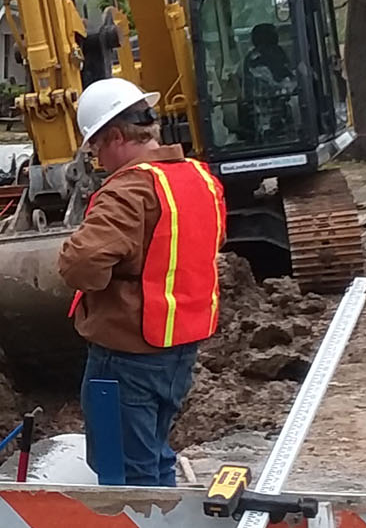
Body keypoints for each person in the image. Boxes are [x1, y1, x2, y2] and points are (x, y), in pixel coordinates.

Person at [56, 77, 227, 487]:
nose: (97, 159)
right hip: (179, 346)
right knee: (152, 455)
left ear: (115, 137)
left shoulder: (130, 190)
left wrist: (103, 277)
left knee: (126, 475)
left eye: (96, 147)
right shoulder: (200, 179)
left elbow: (80, 265)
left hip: (127, 355)